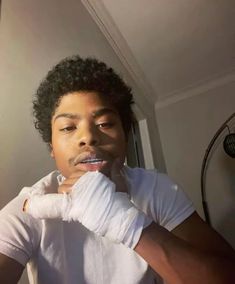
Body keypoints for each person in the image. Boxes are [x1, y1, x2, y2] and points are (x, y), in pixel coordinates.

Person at [0, 56, 234, 284]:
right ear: (52, 149)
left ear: (125, 136)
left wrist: (126, 223)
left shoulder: (156, 189)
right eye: (68, 127)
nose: (89, 137)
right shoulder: (33, 205)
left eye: (104, 124)